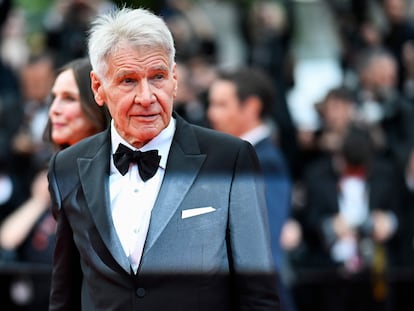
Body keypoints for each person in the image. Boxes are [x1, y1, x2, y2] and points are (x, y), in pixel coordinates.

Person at [47, 7, 280, 311]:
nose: (146, 97)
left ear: (174, 78)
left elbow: (258, 295)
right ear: (98, 88)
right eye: (128, 81)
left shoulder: (229, 159)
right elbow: (64, 293)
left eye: (157, 77)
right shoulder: (67, 166)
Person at [0, 57, 110, 310]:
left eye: (69, 98)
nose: (54, 109)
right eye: (54, 98)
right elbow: (7, 238)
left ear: (97, 105)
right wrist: (40, 201)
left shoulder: (116, 179)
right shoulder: (55, 174)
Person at [207, 66, 297, 311]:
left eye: (222, 105)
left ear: (252, 108)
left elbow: (263, 246)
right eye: (212, 104)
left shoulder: (266, 161)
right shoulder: (235, 157)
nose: (211, 113)